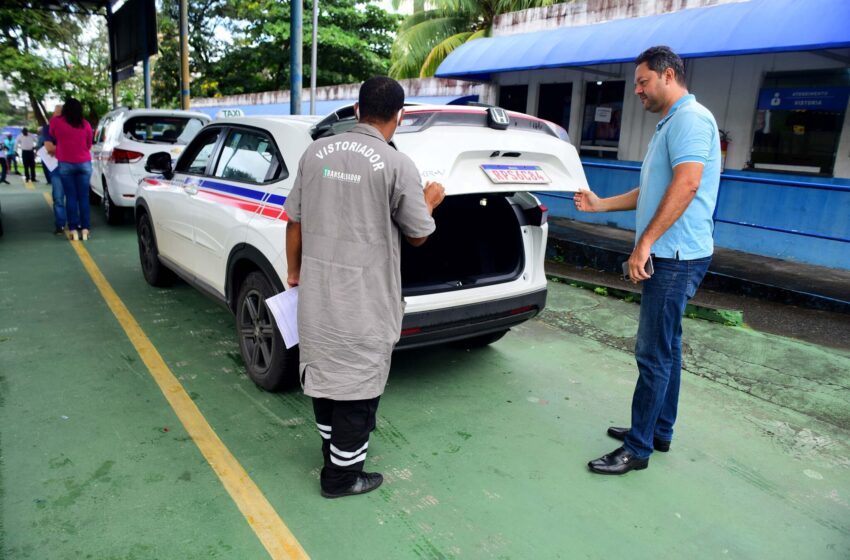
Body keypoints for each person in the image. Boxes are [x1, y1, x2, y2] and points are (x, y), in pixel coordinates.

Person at [284, 76, 445, 498]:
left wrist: (294, 272)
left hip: (317, 293)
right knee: (359, 384)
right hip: (366, 298)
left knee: (323, 374)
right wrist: (429, 199)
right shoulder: (396, 164)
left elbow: (294, 221)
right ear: (400, 116)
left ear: (357, 110)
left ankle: (331, 453)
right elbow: (417, 235)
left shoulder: (315, 152)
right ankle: (341, 478)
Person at [575, 46, 721, 475]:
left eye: (642, 81)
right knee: (668, 350)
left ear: (669, 75)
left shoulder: (692, 119)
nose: (636, 90)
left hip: (675, 256)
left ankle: (638, 449)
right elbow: (654, 190)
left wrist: (645, 245)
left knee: (653, 354)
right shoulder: (670, 124)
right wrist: (601, 206)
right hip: (674, 252)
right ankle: (659, 430)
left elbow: (688, 184)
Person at [50, 98, 93, 241]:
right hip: (84, 163)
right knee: (84, 197)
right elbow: (89, 144)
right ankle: (85, 228)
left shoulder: (56, 122)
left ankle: (73, 229)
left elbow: (53, 134)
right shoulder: (85, 124)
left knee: (71, 197)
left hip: (66, 164)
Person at [43, 105, 65, 235]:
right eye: (56, 115)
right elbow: (49, 148)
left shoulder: (70, 127)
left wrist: (58, 148)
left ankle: (75, 223)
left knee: (74, 197)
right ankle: (60, 225)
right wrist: (68, 148)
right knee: (58, 197)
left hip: (68, 165)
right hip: (56, 167)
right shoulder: (48, 128)